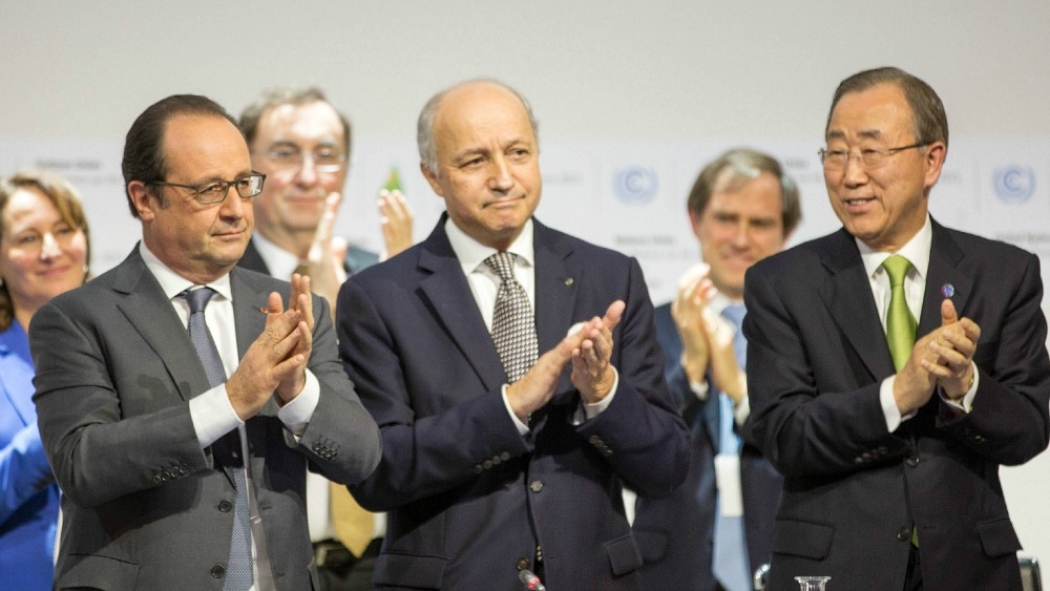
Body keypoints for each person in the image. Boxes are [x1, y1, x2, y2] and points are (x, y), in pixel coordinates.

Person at [335, 79, 690, 591]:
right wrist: (509, 407)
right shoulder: (379, 296)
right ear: (432, 176)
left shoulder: (610, 277)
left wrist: (603, 394)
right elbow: (375, 471)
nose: (503, 178)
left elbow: (667, 467)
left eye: (518, 153)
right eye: (474, 161)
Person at [31, 94, 382, 590]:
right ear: (145, 199)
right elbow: (82, 465)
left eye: (243, 184)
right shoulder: (77, 318)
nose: (236, 210)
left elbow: (360, 457)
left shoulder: (291, 307)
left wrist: (297, 394)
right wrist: (232, 400)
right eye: (210, 190)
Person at [744, 67, 1050, 590]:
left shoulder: (1003, 273)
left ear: (932, 160)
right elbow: (783, 435)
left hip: (968, 571)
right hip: (834, 570)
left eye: (871, 151)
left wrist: (965, 388)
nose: (850, 174)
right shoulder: (783, 282)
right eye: (835, 152)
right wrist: (897, 395)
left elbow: (1030, 429)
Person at [238, 86, 413, 591]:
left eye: (327, 155)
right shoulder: (216, 283)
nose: (309, 175)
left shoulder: (382, 275)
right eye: (285, 154)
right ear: (247, 170)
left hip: (385, 559)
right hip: (271, 561)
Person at [632, 148, 800, 591]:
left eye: (760, 223)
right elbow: (636, 451)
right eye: (726, 218)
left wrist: (740, 392)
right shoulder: (646, 327)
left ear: (785, 232)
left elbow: (814, 447)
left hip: (783, 559)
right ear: (696, 220)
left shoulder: (808, 334)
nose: (741, 239)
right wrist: (691, 371)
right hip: (671, 571)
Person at [0, 170, 90, 591]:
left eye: (64, 230)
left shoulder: (132, 344)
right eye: (29, 238)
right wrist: (56, 428)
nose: (51, 251)